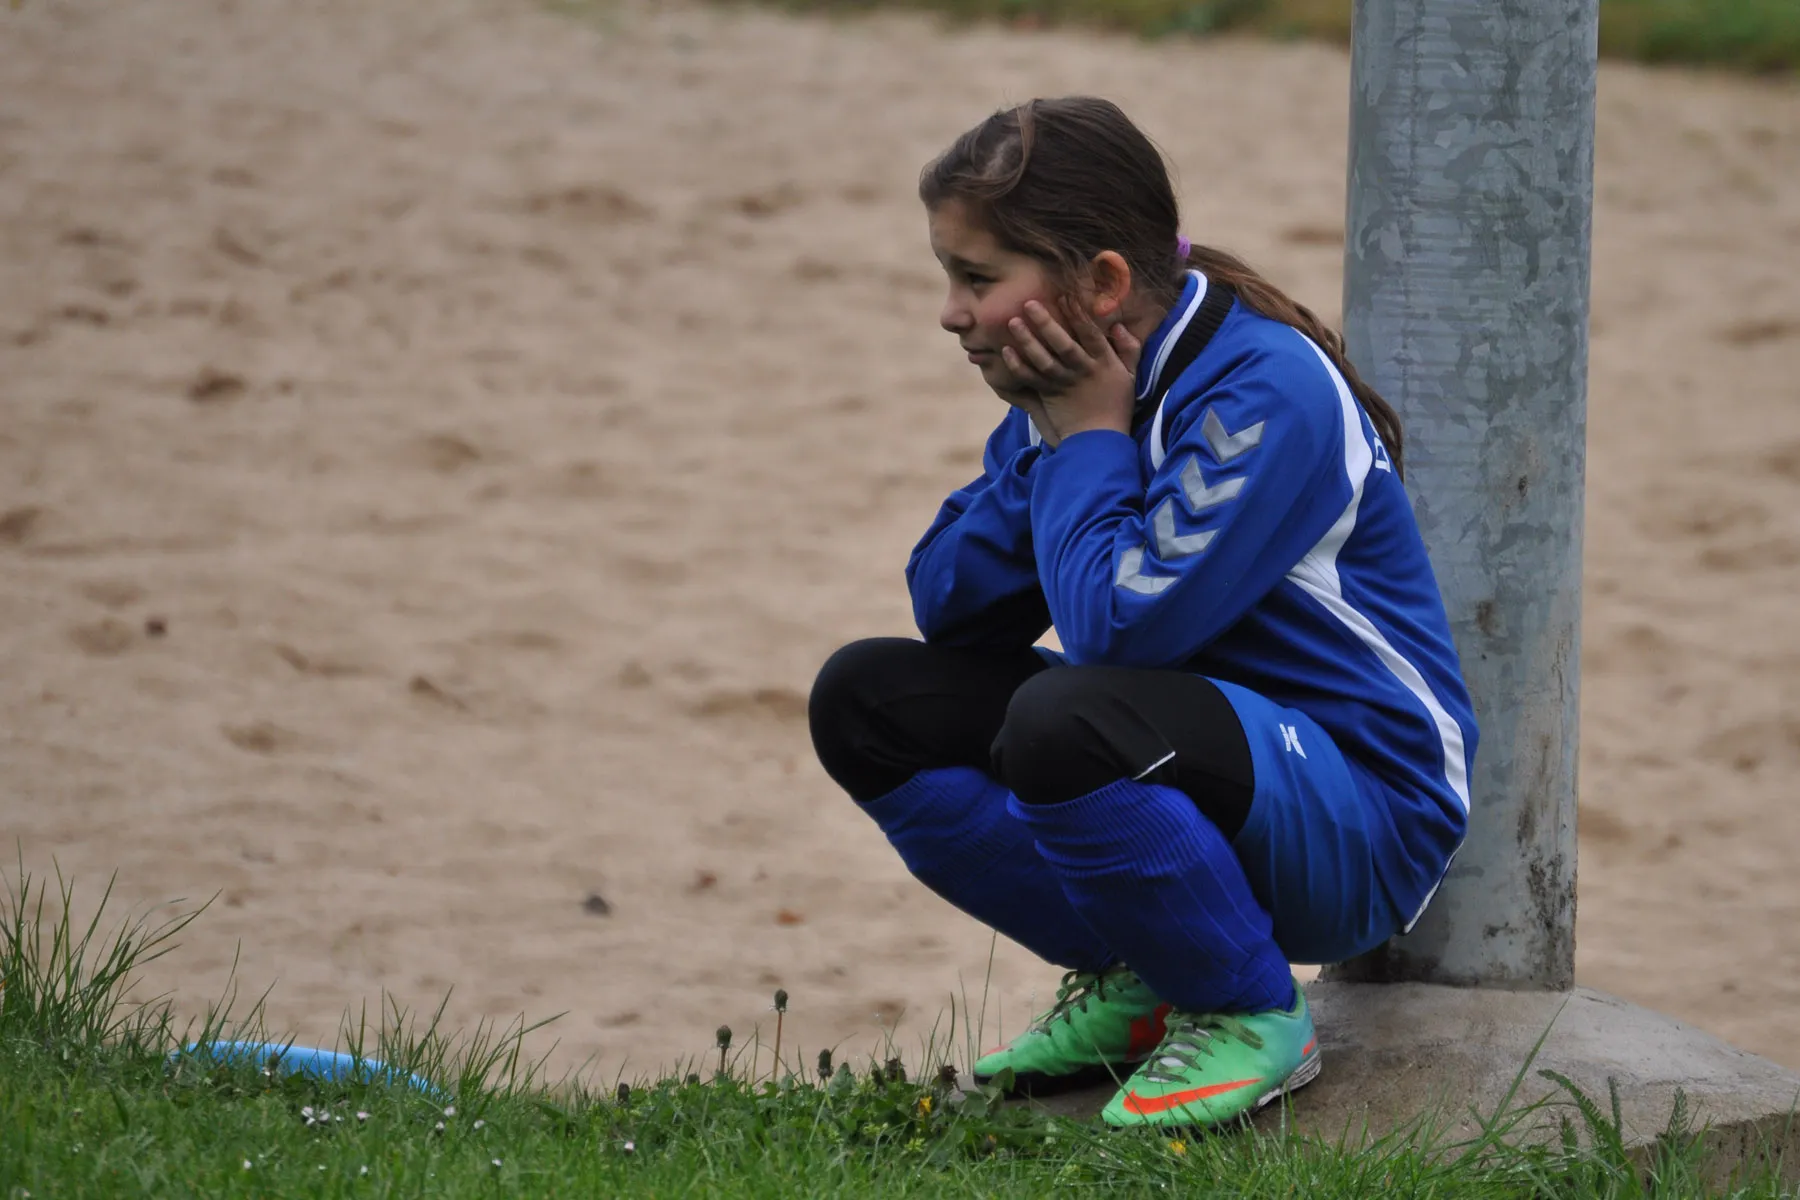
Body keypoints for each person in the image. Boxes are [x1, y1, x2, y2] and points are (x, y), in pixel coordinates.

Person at [807, 96, 1478, 1131]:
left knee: (1064, 721)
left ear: (1104, 283)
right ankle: (1147, 972)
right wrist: (1057, 437)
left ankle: (1246, 1010)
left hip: (1366, 809)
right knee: (867, 699)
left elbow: (1118, 632)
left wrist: (1088, 441)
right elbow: (949, 609)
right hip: (1204, 762)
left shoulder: (1264, 391)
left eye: (977, 279)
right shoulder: (1084, 386)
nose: (951, 312)